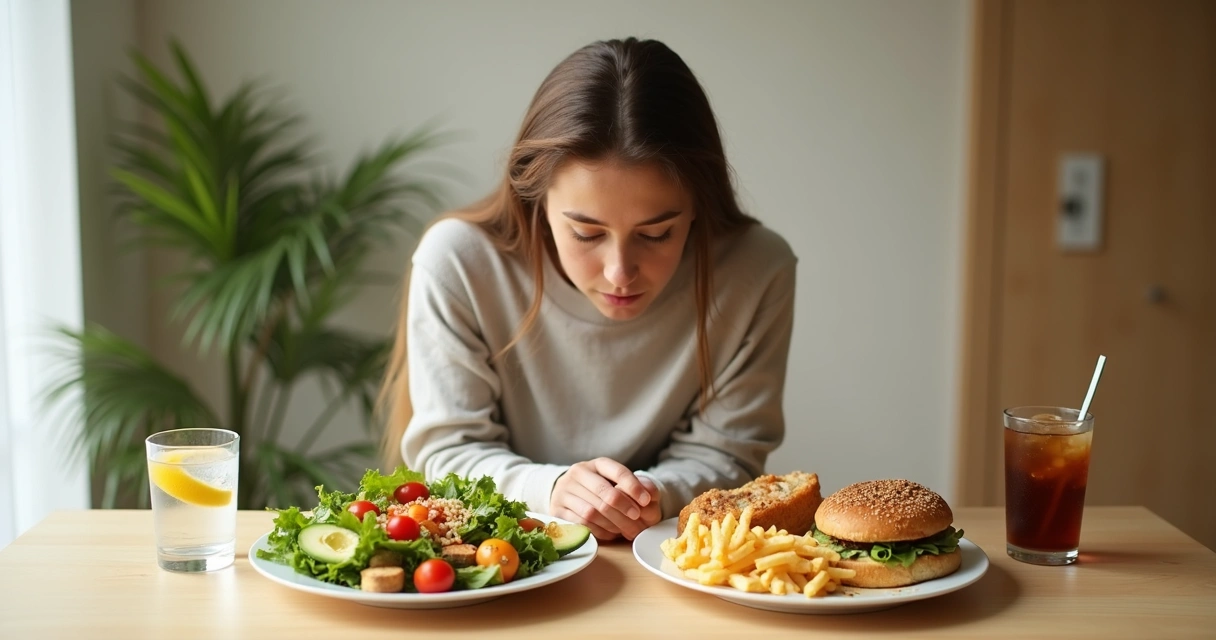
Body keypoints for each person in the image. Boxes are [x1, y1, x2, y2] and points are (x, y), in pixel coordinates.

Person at [379, 37, 797, 542]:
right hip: (501, 554)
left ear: (698, 205)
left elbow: (729, 456)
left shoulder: (756, 271)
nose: (620, 272)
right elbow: (447, 449)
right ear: (537, 202)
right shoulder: (459, 262)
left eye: (656, 234)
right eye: (587, 234)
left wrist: (645, 496)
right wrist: (553, 489)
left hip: (672, 556)